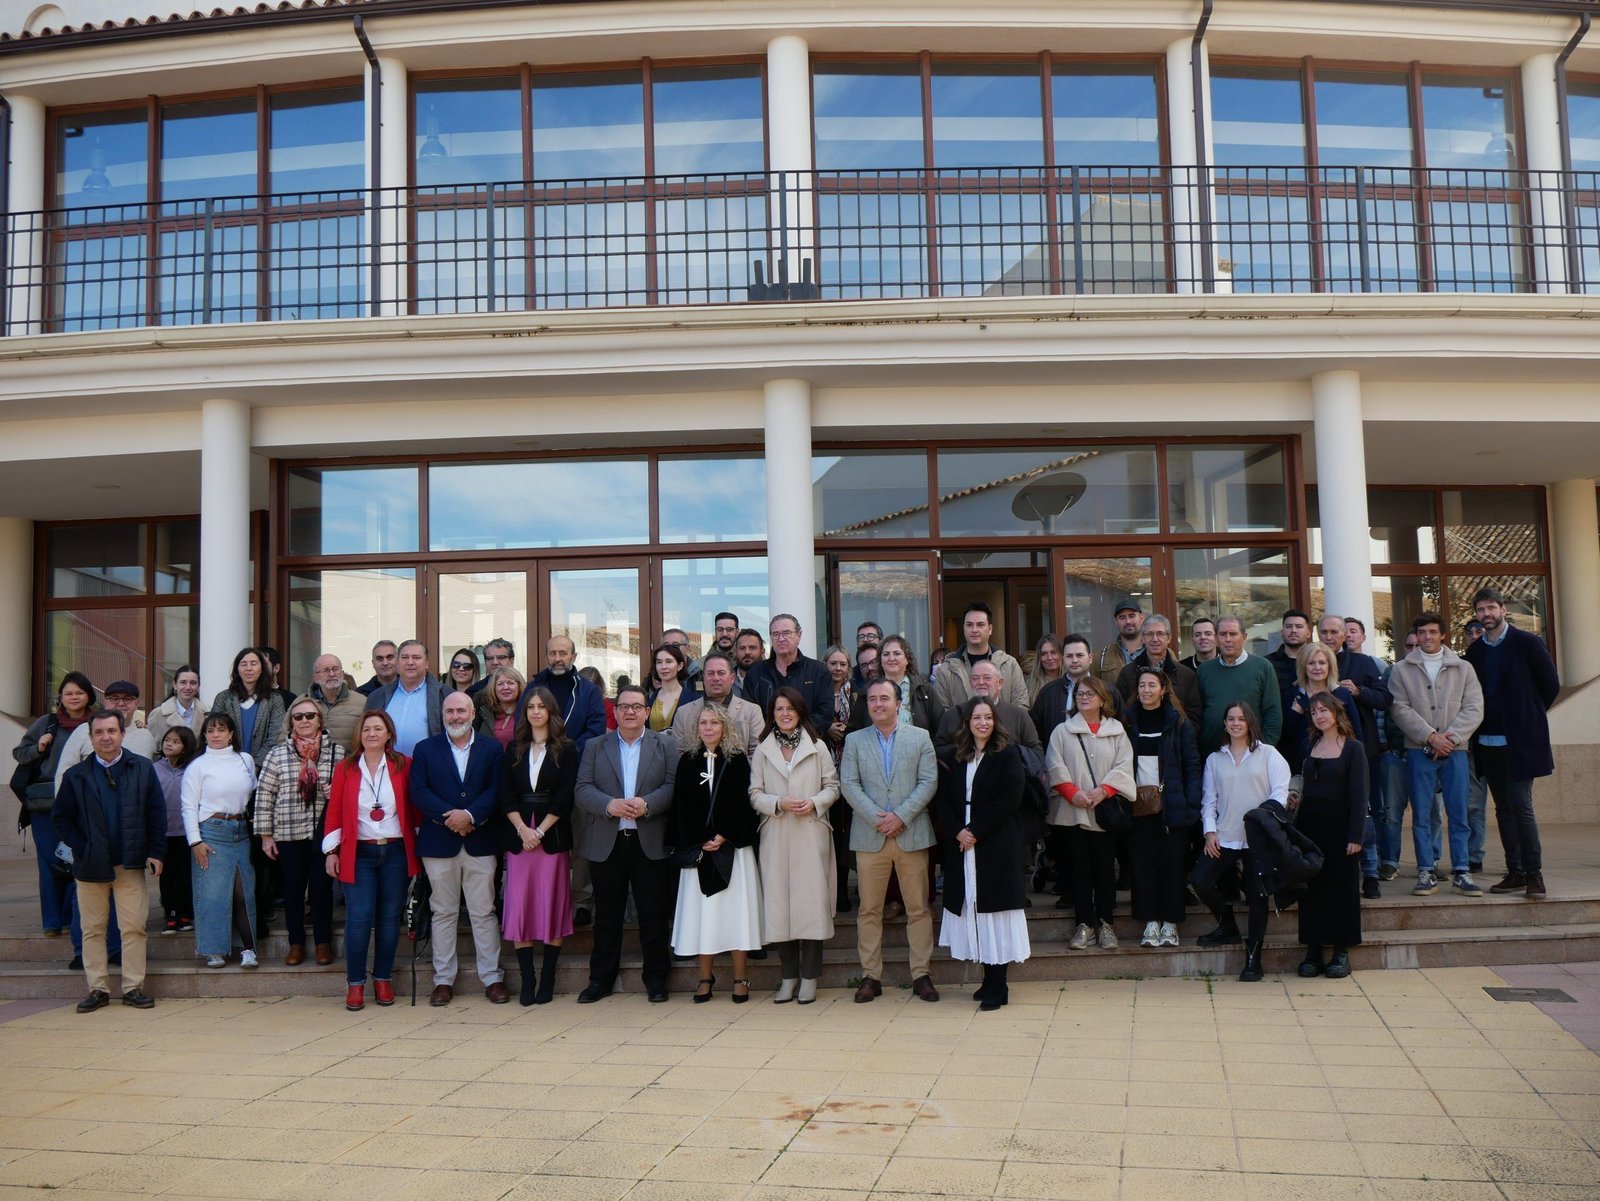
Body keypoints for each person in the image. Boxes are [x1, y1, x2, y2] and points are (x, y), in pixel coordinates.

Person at [52, 709, 166, 1012]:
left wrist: (156, 852)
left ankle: (132, 988)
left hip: (129, 864)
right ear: (91, 738)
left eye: (111, 731)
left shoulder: (141, 768)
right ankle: (98, 989)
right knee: (93, 929)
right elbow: (61, 820)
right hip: (90, 867)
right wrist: (83, 848)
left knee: (133, 928)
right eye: (99, 732)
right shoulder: (75, 775)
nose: (106, 737)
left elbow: (156, 814)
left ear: (122, 734)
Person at [573, 683, 679, 1003]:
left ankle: (657, 979)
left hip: (650, 838)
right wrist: (609, 805)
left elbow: (674, 786)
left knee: (653, 913)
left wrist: (648, 804)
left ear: (647, 712)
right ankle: (601, 979)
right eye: (624, 707)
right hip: (609, 838)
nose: (630, 712)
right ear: (615, 712)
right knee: (607, 914)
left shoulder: (666, 745)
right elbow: (582, 788)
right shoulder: (595, 745)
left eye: (637, 706)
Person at [841, 678, 939, 1003]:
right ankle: (871, 976)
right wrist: (877, 818)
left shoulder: (920, 737)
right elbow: (849, 785)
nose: (878, 704)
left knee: (918, 909)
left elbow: (928, 781)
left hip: (911, 832)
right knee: (869, 910)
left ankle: (921, 975)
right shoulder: (854, 741)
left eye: (885, 698)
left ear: (899, 703)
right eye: (872, 699)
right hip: (870, 836)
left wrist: (901, 815)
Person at [410, 691, 508, 1005]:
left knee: (483, 912)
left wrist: (470, 816)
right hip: (439, 842)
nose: (455, 716)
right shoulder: (426, 749)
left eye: (461, 711)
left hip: (480, 839)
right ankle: (443, 980)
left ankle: (492, 979)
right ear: (443, 716)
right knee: (443, 912)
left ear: (472, 714)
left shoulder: (492, 748)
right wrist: (450, 818)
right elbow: (419, 791)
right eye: (450, 711)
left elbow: (497, 790)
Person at [1464, 587, 1561, 899]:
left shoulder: (1527, 643)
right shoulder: (1476, 652)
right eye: (1481, 610)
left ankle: (1535, 875)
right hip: (1488, 743)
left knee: (1521, 806)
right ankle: (1515, 871)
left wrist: (1528, 716)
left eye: (1491, 608)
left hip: (1521, 743)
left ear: (1503, 609)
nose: (1486, 614)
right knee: (1503, 809)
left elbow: (1550, 685)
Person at [935, 698, 1030, 1011]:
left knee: (995, 913)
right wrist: (957, 831)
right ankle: (988, 980)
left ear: (996, 721)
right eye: (977, 717)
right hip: (963, 844)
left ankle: (998, 983)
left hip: (996, 843)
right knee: (974, 909)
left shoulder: (1007, 753)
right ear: (967, 722)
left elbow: (1010, 798)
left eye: (988, 717)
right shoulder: (956, 755)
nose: (983, 723)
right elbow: (944, 801)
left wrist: (976, 830)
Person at [323, 710, 419, 1011]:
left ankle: (382, 978)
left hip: (395, 852)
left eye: (379, 729)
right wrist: (331, 851)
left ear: (389, 734)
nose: (373, 734)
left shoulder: (404, 765)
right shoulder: (346, 768)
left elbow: (414, 810)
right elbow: (335, 811)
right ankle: (355, 984)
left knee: (390, 920)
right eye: (367, 729)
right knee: (359, 919)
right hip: (359, 853)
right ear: (359, 735)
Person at [750, 687, 841, 1005]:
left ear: (800, 712)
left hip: (809, 833)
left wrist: (815, 803)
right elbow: (754, 793)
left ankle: (809, 979)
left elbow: (833, 786)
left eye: (790, 708)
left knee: (811, 907)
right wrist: (777, 802)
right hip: (775, 833)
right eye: (778, 709)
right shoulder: (762, 749)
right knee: (779, 909)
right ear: (772, 714)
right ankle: (787, 977)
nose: (784, 714)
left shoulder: (817, 746)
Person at [668, 704, 761, 1003]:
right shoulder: (687, 761)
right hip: (699, 850)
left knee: (736, 915)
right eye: (703, 723)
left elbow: (744, 805)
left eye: (714, 723)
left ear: (725, 727)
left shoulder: (737, 762)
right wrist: (699, 839)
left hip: (732, 847)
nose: (708, 728)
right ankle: (705, 977)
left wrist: (724, 835)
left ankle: (740, 977)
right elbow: (681, 806)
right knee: (702, 915)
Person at [1195, 701, 1292, 982]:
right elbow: (1208, 800)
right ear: (1224, 724)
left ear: (1250, 722)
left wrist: (1266, 824)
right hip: (1224, 835)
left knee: (1257, 897)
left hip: (1257, 840)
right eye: (1230, 719)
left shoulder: (1269, 754)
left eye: (1241, 718)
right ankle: (1226, 925)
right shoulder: (1215, 759)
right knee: (1201, 880)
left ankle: (1253, 959)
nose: (1236, 723)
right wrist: (1209, 831)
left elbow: (1280, 795)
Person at [1389, 611, 1485, 898]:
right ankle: (1426, 871)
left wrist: (1451, 738)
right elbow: (1399, 708)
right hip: (1419, 751)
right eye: (1422, 633)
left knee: (1459, 812)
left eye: (1433, 632)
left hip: (1456, 752)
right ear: (1416, 636)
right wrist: (1430, 736)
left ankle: (1462, 871)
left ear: (1443, 634)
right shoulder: (1401, 670)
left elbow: (1474, 707)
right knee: (1421, 813)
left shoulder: (1463, 668)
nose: (1427, 637)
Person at [498, 687, 577, 1006]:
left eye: (541, 706)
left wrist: (539, 832)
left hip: (551, 837)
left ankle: (548, 979)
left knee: (550, 905)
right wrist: (522, 829)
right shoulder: (514, 749)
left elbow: (565, 796)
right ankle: (528, 980)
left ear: (551, 712)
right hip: (520, 840)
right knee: (521, 907)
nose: (535, 711)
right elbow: (505, 794)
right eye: (530, 706)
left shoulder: (567, 749)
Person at [1044, 675, 1135, 951]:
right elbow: (1054, 764)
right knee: (1079, 870)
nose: (1084, 698)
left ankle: (1106, 924)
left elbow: (1124, 765)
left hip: (1104, 812)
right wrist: (1074, 793)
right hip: (1073, 813)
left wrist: (1103, 791)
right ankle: (1084, 924)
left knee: (1105, 871)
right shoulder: (1062, 731)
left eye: (1090, 694)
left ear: (1103, 699)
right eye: (1080, 694)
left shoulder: (1117, 730)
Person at [253, 698, 341, 967]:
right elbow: (265, 795)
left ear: (320, 720)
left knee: (321, 890)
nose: (304, 721)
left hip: (323, 835)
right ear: (291, 721)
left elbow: (349, 793)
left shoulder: (337, 752)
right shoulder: (277, 754)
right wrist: (266, 835)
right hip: (289, 833)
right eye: (298, 716)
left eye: (310, 716)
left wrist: (333, 791)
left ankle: (323, 943)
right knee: (292, 891)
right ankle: (296, 943)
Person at [1123, 666, 1202, 948]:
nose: (1146, 690)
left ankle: (1170, 923)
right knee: (1143, 865)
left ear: (1164, 689)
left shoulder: (1178, 723)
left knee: (1171, 865)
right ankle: (1150, 923)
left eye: (1151, 685)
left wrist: (1191, 803)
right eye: (1142, 685)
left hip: (1172, 804)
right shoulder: (1128, 721)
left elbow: (1192, 765)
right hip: (1137, 805)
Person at [13, 671, 95, 938]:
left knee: (76, 859)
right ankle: (52, 921)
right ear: (60, 696)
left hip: (82, 801)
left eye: (79, 693)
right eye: (68, 693)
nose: (73, 697)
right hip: (45, 804)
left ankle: (73, 918)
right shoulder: (46, 723)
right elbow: (20, 753)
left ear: (88, 696)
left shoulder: (96, 723)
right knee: (50, 859)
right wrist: (38, 747)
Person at [1295, 692, 1369, 980]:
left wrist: (1356, 835)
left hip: (1341, 830)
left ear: (1337, 713)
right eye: (1314, 712)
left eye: (1324, 710)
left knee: (1342, 890)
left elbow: (1360, 795)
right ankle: (1313, 950)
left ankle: (1341, 952)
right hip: (1309, 830)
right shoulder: (1308, 745)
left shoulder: (1353, 749)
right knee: (1311, 890)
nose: (1319, 716)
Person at [182, 710, 260, 969]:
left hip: (240, 831)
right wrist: (195, 842)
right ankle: (213, 950)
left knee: (243, 892)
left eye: (221, 730)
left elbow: (254, 794)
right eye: (211, 731)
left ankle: (248, 949)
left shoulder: (245, 760)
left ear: (231, 734)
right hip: (211, 832)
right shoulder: (198, 766)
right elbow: (188, 807)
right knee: (213, 894)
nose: (216, 735)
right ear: (204, 736)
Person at [1196, 616, 1282, 754]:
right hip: (1211, 753)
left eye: (1233, 634)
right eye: (1223, 634)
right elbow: (1197, 713)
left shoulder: (1263, 667)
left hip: (1252, 753)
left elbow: (1273, 713)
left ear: (1244, 636)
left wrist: (1263, 749)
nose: (1228, 639)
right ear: (1216, 639)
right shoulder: (1204, 670)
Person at [742, 614, 836, 739]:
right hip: (768, 746)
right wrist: (775, 738)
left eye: (786, 633)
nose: (781, 639)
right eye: (776, 634)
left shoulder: (818, 671)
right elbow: (750, 714)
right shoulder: (755, 674)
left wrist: (796, 736)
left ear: (799, 635)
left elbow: (825, 713)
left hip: (810, 744)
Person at [54, 679, 157, 786]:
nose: (121, 703)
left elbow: (150, 778)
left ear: (137, 704)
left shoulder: (146, 735)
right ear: (105, 702)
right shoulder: (84, 731)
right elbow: (64, 774)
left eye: (128, 699)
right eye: (114, 699)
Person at [934, 601, 1028, 709]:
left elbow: (1021, 707)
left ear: (990, 629)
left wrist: (1000, 725)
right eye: (969, 625)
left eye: (980, 624)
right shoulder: (947, 670)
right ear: (964, 628)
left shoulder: (1009, 665)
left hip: (1004, 726)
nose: (974, 630)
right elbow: (941, 712)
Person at [1282, 644, 1359, 773]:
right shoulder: (1293, 695)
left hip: (1338, 764)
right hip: (1301, 765)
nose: (1317, 668)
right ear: (1303, 667)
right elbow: (1284, 735)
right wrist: (1295, 713)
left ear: (1329, 666)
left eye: (1322, 663)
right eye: (1311, 663)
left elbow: (1355, 730)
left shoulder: (1341, 694)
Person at [523, 635, 607, 753]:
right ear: (546, 656)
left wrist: (570, 751)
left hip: (576, 762)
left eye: (563, 653)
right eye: (552, 653)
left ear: (573, 656)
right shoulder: (533, 688)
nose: (557, 659)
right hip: (538, 759)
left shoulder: (590, 691)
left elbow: (596, 729)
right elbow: (521, 723)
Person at [934, 659, 1039, 752]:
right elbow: (938, 752)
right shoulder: (953, 715)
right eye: (975, 678)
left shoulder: (1018, 715)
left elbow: (1037, 754)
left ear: (1000, 683)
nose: (980, 682)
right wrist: (965, 749)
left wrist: (1008, 753)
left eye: (987, 678)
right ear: (970, 683)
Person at [364, 639, 447, 756]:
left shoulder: (444, 695)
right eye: (405, 657)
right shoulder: (377, 696)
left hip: (427, 770)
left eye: (416, 657)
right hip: (387, 769)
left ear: (427, 663)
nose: (410, 662)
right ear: (397, 663)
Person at [671, 651, 764, 753]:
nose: (716, 678)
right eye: (710, 673)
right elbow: (677, 753)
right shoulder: (683, 713)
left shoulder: (752, 711)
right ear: (703, 678)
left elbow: (757, 753)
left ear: (732, 678)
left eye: (721, 673)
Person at [152, 724, 197, 935]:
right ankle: (169, 913)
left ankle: (185, 912)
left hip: (186, 832)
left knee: (185, 875)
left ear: (186, 747)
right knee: (166, 875)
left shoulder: (193, 768)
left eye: (176, 741)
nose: (170, 744)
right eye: (167, 740)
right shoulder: (154, 768)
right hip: (163, 833)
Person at [1113, 614, 1202, 719]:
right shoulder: (1128, 673)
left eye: (1160, 634)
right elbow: (1119, 710)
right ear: (1143, 638)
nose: (1155, 639)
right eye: (1149, 634)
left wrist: (1183, 734)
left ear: (1169, 638)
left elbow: (1194, 714)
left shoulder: (1186, 675)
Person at [207, 649, 286, 764]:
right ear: (237, 670)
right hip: (227, 765)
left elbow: (275, 737)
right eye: (243, 664)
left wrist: (255, 765)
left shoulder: (274, 700)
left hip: (264, 768)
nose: (248, 668)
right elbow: (216, 732)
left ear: (262, 669)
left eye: (253, 664)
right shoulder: (224, 698)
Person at [1030, 632, 1093, 743]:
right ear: (1064, 659)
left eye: (1079, 655)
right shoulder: (1047, 692)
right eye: (1069, 656)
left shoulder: (1107, 690)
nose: (1074, 660)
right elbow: (1034, 732)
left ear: (1090, 658)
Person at [1266, 609, 1315, 728]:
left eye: (1299, 627)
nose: (1293, 630)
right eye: (1289, 626)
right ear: (1282, 632)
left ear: (1309, 633)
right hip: (1278, 732)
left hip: (1313, 729)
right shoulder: (1267, 664)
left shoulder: (1317, 663)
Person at [306, 654, 366, 751]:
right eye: (326, 670)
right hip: (310, 764)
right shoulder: (301, 703)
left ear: (342, 673)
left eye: (335, 669)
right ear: (315, 677)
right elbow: (284, 738)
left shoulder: (362, 702)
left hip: (349, 764)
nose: (332, 674)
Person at [646, 642, 698, 734]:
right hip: (652, 748)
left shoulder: (693, 700)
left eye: (669, 661)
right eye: (659, 662)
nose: (663, 667)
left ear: (680, 666)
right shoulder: (648, 699)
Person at [147, 665, 204, 747]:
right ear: (175, 685)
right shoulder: (158, 714)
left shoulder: (208, 713)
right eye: (183, 682)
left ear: (198, 686)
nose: (188, 687)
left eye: (193, 683)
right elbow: (154, 748)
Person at [1094, 598, 1146, 684]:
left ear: (1141, 618)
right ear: (1116, 622)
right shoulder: (1101, 657)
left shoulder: (1160, 653)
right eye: (1122, 618)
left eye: (1132, 616)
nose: (1128, 621)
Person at [476, 665, 527, 750]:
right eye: (500, 684)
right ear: (494, 688)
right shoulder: (484, 713)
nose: (505, 687)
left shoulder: (527, 713)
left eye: (510, 683)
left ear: (519, 686)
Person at [577, 666, 616, 733]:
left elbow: (607, 735)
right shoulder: (571, 704)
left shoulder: (609, 708)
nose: (584, 689)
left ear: (599, 686)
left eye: (589, 686)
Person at [733, 629, 766, 693]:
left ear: (762, 651)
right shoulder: (726, 680)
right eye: (742, 648)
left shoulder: (772, 680)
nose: (747, 652)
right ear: (735, 652)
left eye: (752, 648)